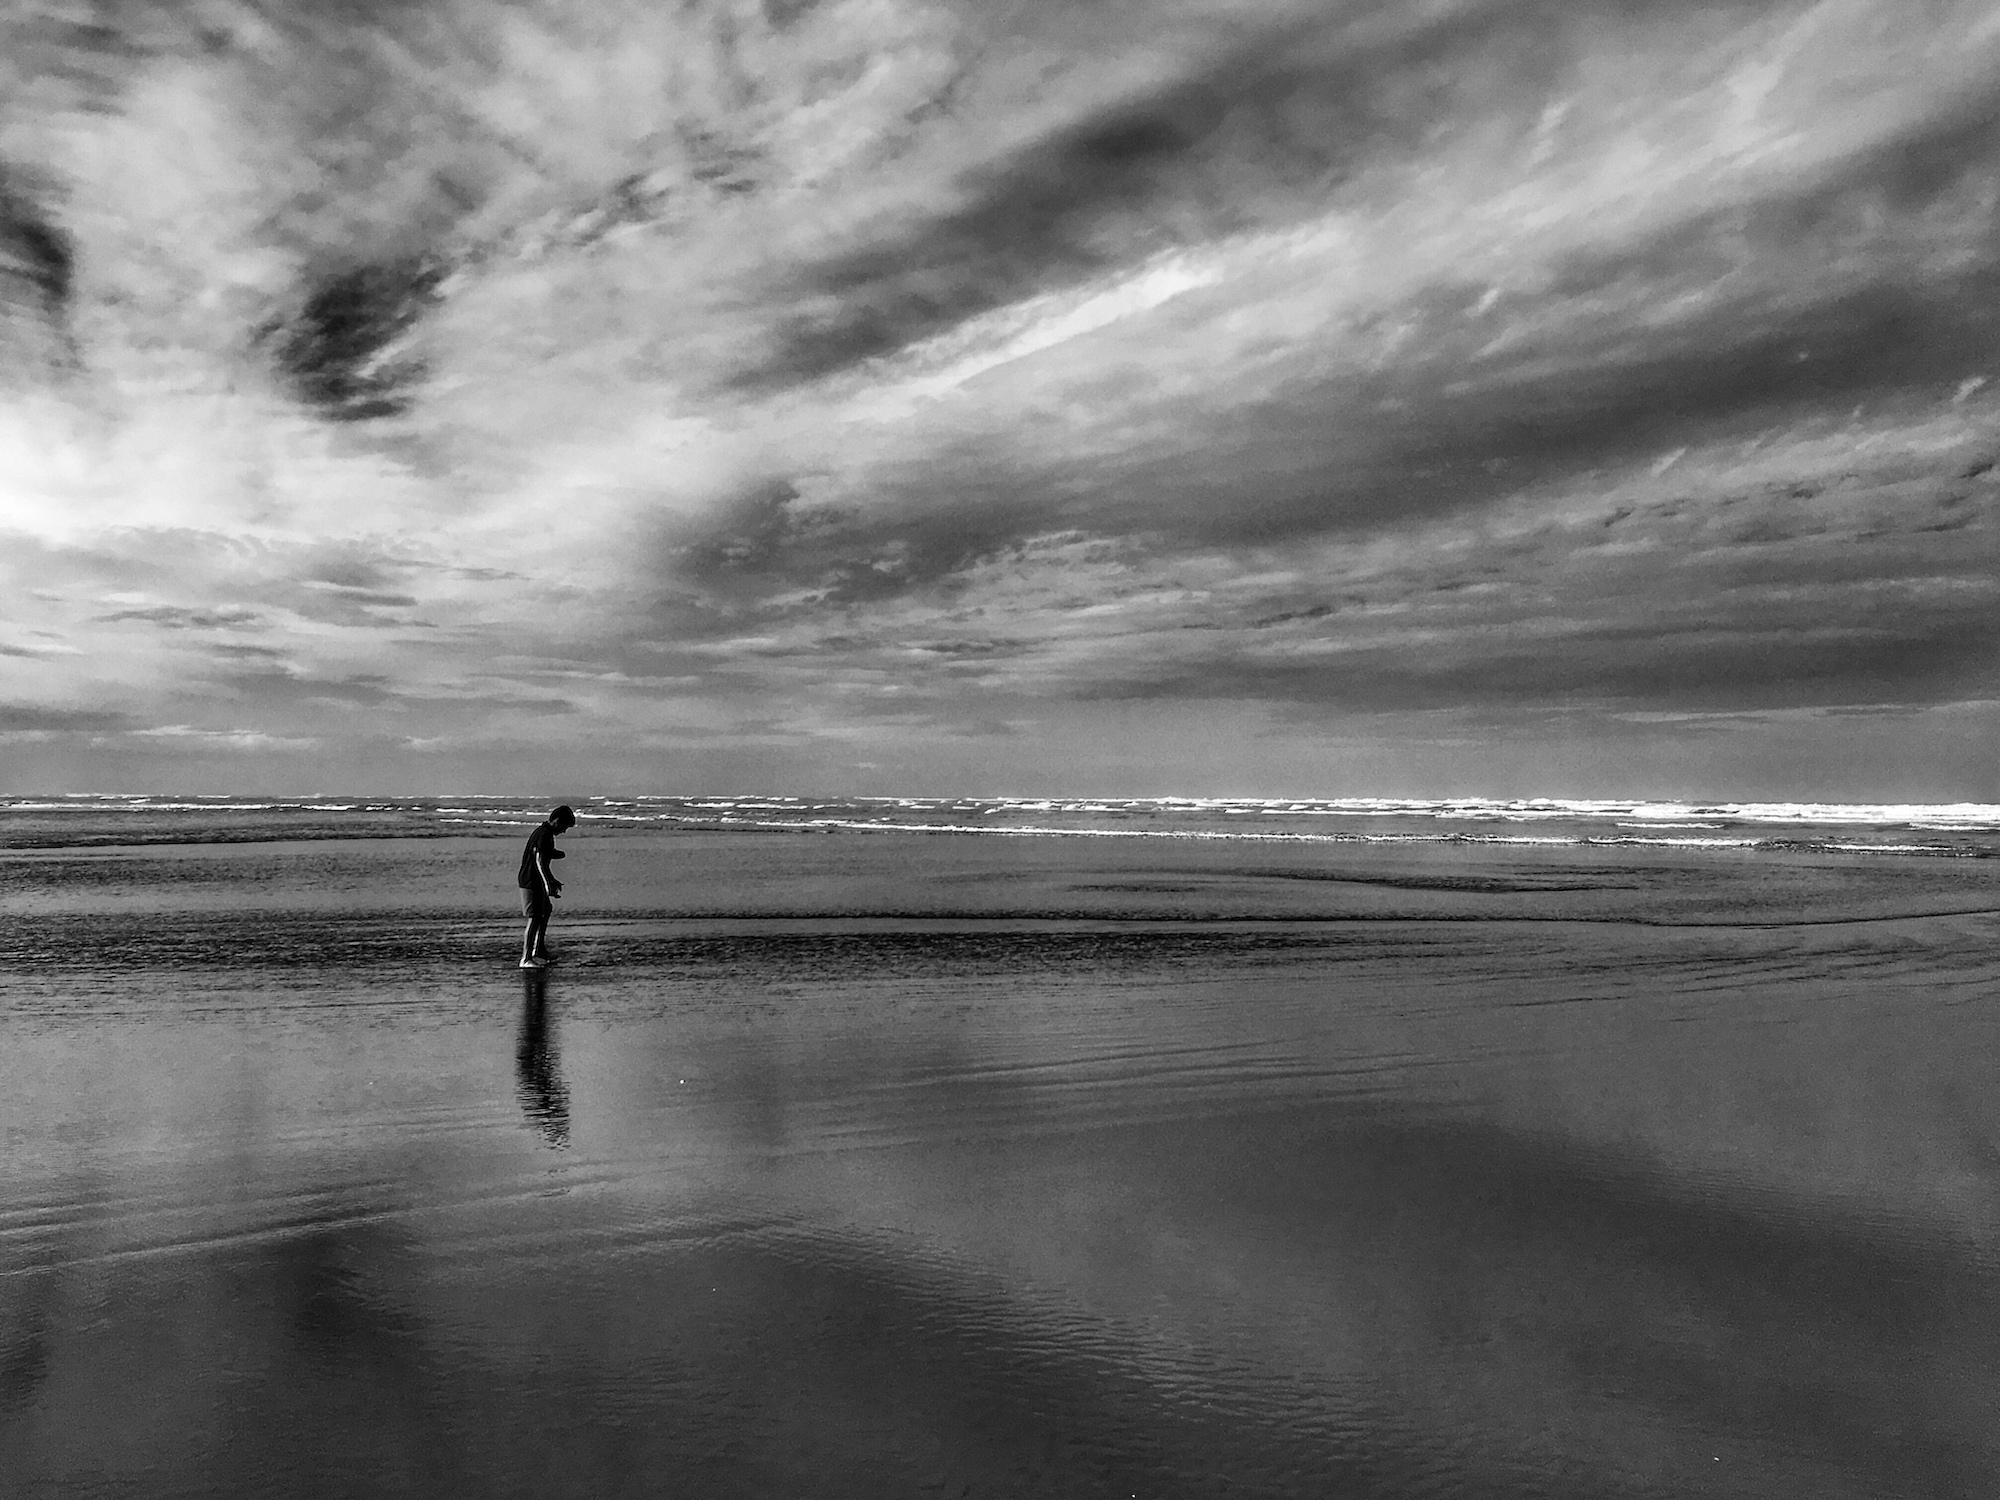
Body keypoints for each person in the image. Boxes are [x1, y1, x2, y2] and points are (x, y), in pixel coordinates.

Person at [518, 804, 575, 968]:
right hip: (530, 881)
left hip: (536, 880)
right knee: (535, 917)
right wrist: (547, 884)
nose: (564, 831)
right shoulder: (543, 835)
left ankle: (539, 949)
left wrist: (552, 879)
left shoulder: (546, 835)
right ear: (557, 821)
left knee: (546, 909)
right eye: (564, 826)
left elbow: (545, 859)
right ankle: (526, 958)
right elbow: (539, 861)